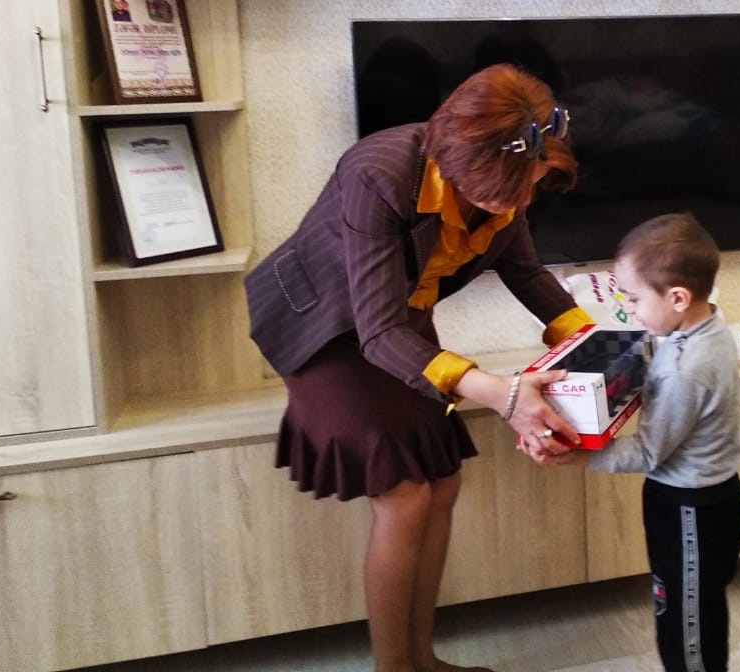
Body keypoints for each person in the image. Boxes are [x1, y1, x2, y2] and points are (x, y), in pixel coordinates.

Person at [244, 64, 594, 672]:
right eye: (512, 191)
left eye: (531, 188)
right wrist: (499, 391)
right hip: (322, 323)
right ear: (463, 163)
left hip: (395, 318)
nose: (522, 202)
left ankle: (422, 660)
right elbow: (377, 333)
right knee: (405, 496)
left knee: (444, 482)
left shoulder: (510, 179)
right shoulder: (378, 172)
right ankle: (394, 669)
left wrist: (592, 344)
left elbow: (526, 271)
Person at [546, 212, 740, 672]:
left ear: (678, 297)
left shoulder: (685, 371)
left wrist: (576, 456)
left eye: (635, 299)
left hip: (689, 509)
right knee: (696, 604)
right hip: (713, 498)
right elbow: (659, 347)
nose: (630, 310)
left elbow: (648, 451)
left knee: (685, 624)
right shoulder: (707, 327)